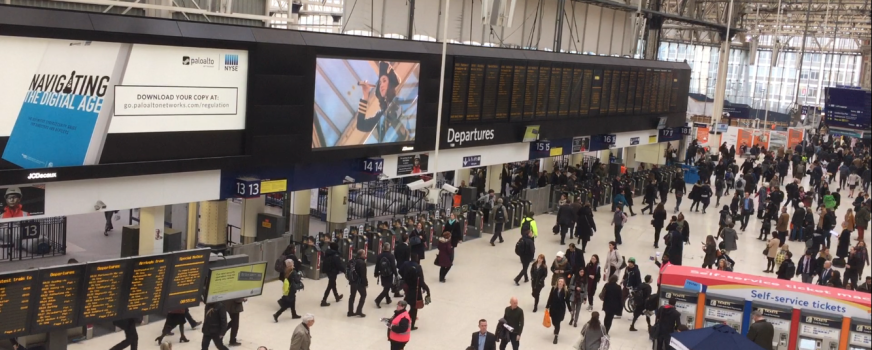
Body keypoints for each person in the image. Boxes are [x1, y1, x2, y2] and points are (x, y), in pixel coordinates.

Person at [545, 278, 570, 344]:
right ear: (557, 282)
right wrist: (547, 306)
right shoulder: (553, 289)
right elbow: (550, 298)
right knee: (554, 322)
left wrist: (570, 310)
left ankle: (556, 336)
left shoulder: (566, 291)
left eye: (562, 281)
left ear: (563, 283)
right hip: (553, 309)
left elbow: (567, 301)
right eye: (559, 281)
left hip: (560, 310)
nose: (560, 282)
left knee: (558, 323)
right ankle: (556, 328)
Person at [320, 242, 344, 306]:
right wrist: (344, 270)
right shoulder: (335, 255)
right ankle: (324, 300)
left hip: (328, 271)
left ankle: (336, 296)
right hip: (333, 271)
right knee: (330, 285)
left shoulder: (328, 253)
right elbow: (338, 265)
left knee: (333, 284)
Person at [374, 242, 397, 308]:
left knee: (386, 286)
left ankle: (388, 299)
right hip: (389, 274)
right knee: (387, 288)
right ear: (389, 248)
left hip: (382, 273)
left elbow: (377, 265)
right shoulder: (391, 256)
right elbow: (393, 266)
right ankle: (378, 300)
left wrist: (376, 273)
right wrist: (396, 274)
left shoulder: (379, 255)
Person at [347, 249, 368, 317]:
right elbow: (363, 275)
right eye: (364, 254)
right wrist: (365, 283)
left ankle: (350, 312)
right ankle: (359, 310)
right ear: (361, 255)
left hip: (352, 281)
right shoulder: (362, 263)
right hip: (359, 282)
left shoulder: (352, 261)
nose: (365, 255)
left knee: (352, 296)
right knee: (363, 295)